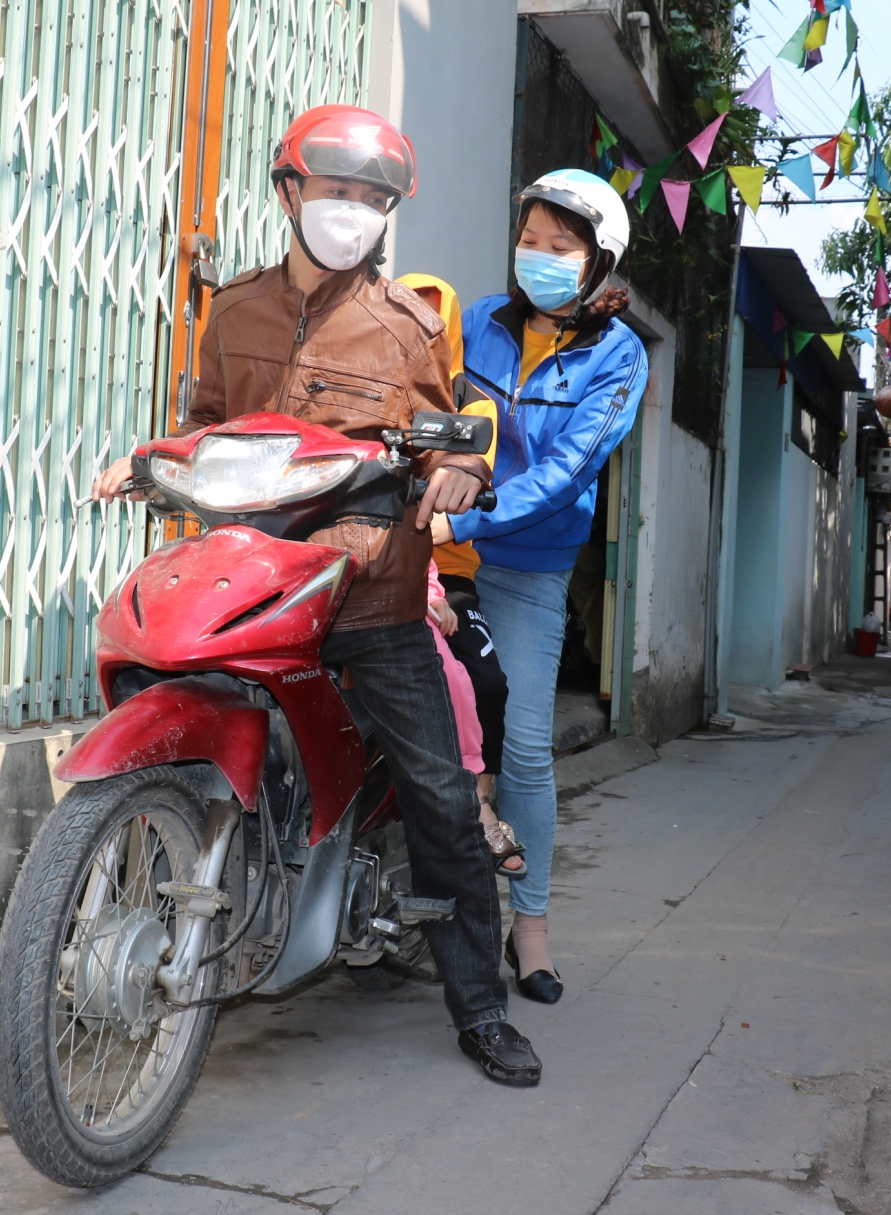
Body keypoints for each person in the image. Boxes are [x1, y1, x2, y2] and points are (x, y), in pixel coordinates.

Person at [92, 105, 540, 1087]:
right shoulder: (236, 310)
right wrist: (149, 466)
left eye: (373, 198)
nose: (353, 211)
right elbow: (207, 426)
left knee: (439, 796)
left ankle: (477, 1006)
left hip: (367, 594)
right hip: (248, 577)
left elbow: (450, 435)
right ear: (288, 191)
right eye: (335, 189)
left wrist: (461, 473)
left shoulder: (405, 327)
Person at [431, 169, 649, 1005]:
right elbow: (427, 410)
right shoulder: (479, 321)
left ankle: (532, 929)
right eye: (530, 241)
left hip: (523, 562)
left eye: (561, 247)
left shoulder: (618, 356)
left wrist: (469, 518)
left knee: (521, 748)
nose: (539, 258)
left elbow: (567, 472)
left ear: (598, 264)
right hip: (438, 547)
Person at [398, 273, 521, 878]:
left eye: (432, 319)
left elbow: (475, 467)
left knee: (488, 683)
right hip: (371, 564)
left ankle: (481, 802)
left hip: (446, 573)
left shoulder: (470, 401)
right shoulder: (371, 392)